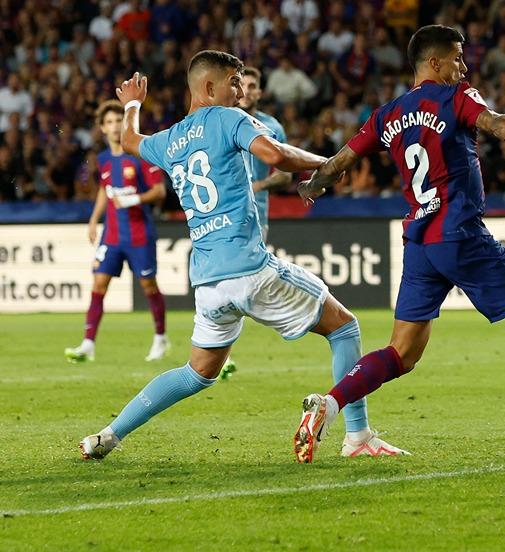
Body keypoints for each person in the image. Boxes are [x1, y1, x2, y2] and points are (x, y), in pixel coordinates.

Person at [290, 25, 505, 461]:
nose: (463, 67)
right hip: (460, 233)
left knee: (402, 353)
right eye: (457, 57)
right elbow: (497, 123)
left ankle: (330, 404)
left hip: (420, 243)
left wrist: (312, 185)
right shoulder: (456, 97)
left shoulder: (387, 115)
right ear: (434, 63)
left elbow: (341, 160)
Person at [79, 53, 403, 461]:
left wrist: (131, 104)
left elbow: (129, 140)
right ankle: (357, 436)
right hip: (250, 268)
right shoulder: (227, 118)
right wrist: (330, 163)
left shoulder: (169, 140)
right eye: (233, 81)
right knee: (344, 327)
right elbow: (275, 155)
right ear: (209, 88)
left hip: (208, 283)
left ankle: (107, 435)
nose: (239, 91)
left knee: (197, 372)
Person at [65, 101, 169, 363]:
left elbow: (159, 191)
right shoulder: (102, 160)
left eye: (118, 121)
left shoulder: (141, 155)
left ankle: (161, 337)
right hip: (111, 235)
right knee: (98, 283)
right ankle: (88, 343)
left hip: (139, 233)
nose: (114, 127)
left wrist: (133, 199)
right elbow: (105, 189)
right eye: (109, 122)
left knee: (148, 285)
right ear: (102, 128)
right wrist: (93, 220)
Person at [237, 67, 290, 240]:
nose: (246, 91)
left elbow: (285, 175)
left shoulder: (272, 128)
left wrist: (259, 185)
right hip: (222, 214)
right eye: (241, 85)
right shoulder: (220, 121)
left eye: (252, 86)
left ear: (259, 93)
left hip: (256, 215)